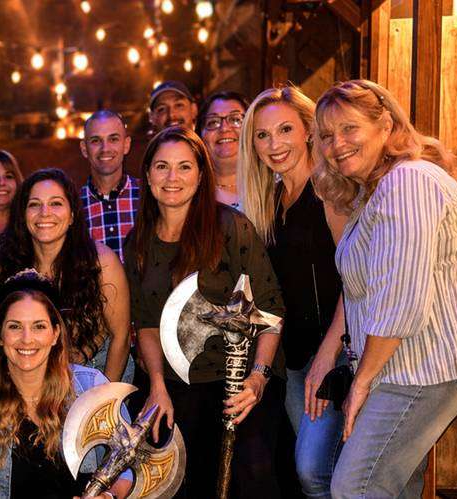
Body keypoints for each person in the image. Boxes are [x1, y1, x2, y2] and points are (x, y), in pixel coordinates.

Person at [309, 79, 457, 499]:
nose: (337, 144)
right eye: (327, 135)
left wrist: (362, 381)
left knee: (354, 487)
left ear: (386, 125)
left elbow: (402, 301)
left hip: (422, 368)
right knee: (393, 490)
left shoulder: (408, 181)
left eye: (349, 128)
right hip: (398, 367)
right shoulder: (373, 193)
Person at [124, 126, 285, 498]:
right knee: (182, 482)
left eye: (184, 167)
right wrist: (157, 386)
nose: (173, 177)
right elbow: (146, 323)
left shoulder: (230, 227)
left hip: (240, 380)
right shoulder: (139, 243)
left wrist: (258, 378)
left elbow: (271, 308)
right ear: (147, 174)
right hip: (176, 383)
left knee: (251, 476)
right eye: (162, 166)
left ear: (200, 175)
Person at [236, 86, 346, 498]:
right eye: (262, 135)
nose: (274, 144)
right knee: (313, 475)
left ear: (308, 130)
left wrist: (329, 354)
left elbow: (357, 281)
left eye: (285, 129)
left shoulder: (329, 190)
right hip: (292, 361)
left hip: (336, 355)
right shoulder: (268, 201)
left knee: (313, 471)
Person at [0, 271, 132, 499]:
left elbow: (129, 463)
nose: (27, 338)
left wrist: (108, 496)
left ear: (55, 333)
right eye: (15, 326)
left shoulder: (91, 387)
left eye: (39, 326)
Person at [0, 168, 131, 383]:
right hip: (30, 379)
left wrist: (104, 396)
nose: (45, 212)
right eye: (34, 204)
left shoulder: (102, 262)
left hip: (96, 374)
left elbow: (121, 337)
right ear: (22, 215)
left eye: (56, 203)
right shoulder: (8, 267)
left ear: (72, 215)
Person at [79, 110, 140, 262]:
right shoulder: (73, 205)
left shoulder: (148, 195)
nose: (105, 148)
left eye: (113, 139)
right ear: (84, 149)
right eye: (96, 141)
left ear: (126, 145)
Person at [197, 91, 249, 208]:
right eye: (213, 122)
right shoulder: (190, 193)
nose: (224, 128)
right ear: (200, 136)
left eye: (235, 119)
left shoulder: (276, 186)